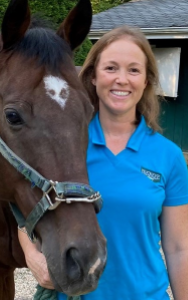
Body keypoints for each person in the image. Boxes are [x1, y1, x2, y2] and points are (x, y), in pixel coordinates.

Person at [18, 26, 188, 299]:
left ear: (146, 81)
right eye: (111, 68)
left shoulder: (168, 156)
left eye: (134, 70)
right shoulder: (63, 145)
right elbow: (25, 212)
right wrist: (32, 256)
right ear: (93, 76)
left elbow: (179, 247)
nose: (122, 79)